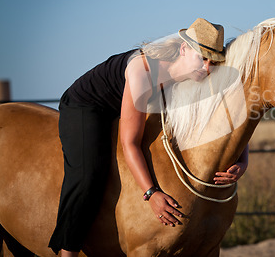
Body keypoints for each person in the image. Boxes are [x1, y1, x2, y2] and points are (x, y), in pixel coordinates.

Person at [49, 18, 249, 257]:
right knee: (87, 173)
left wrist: (243, 160)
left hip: (130, 105)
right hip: (89, 106)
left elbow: (227, 118)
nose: (207, 68)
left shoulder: (197, 74)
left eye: (213, 62)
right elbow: (129, 143)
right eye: (202, 58)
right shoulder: (142, 71)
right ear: (184, 49)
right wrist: (151, 193)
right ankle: (67, 250)